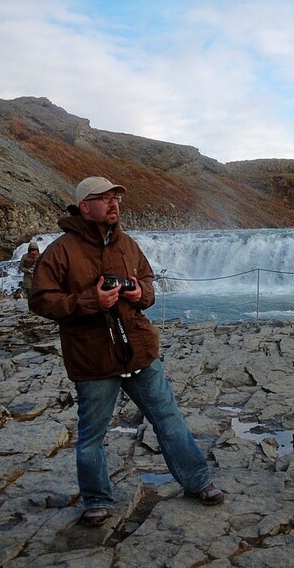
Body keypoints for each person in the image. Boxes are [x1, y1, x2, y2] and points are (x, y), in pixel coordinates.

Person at [29, 176, 223, 527]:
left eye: (116, 198)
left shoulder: (128, 245)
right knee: (92, 436)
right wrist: (91, 300)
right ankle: (96, 501)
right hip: (93, 358)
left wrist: (140, 295)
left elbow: (148, 284)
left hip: (139, 351)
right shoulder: (61, 250)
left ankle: (198, 482)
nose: (114, 204)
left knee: (169, 420)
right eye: (104, 199)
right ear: (84, 207)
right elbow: (40, 299)